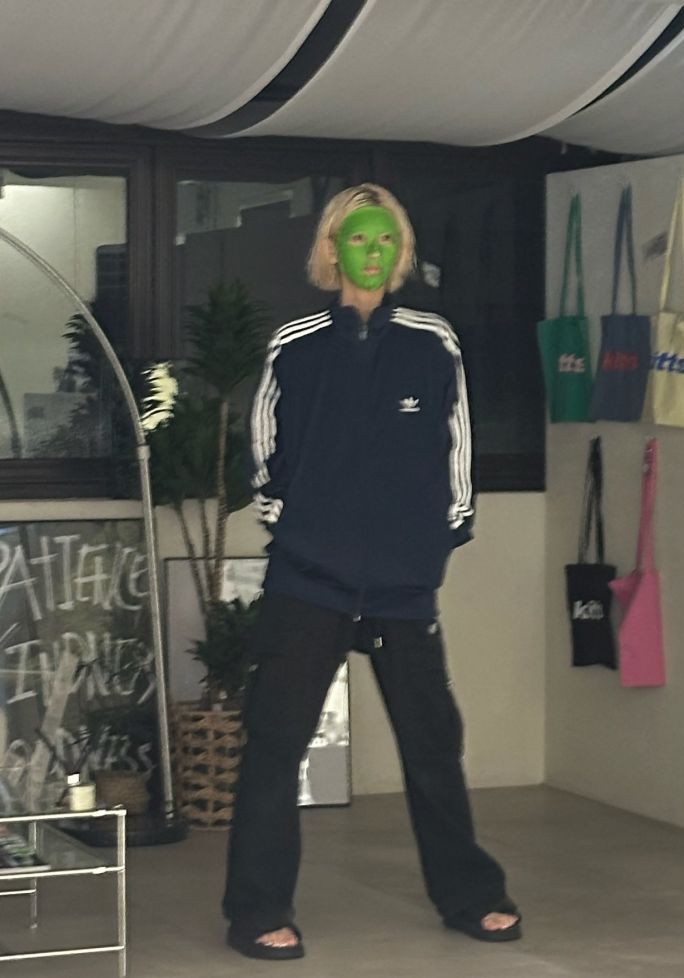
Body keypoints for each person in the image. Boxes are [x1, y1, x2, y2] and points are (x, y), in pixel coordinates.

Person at [223, 184, 521, 961]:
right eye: (358, 238)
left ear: (401, 251)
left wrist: (437, 542)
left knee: (432, 743)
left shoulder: (433, 341)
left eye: (387, 239)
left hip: (400, 586)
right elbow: (264, 447)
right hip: (308, 582)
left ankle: (470, 894)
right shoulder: (295, 344)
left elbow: (459, 445)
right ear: (332, 249)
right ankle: (257, 910)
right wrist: (293, 527)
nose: (373, 252)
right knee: (275, 745)